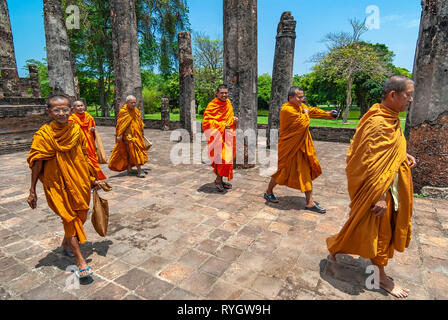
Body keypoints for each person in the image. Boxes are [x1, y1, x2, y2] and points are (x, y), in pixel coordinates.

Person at [326, 75, 417, 298]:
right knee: (381, 233)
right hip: (380, 191)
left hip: (392, 185)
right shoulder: (377, 121)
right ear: (393, 95)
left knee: (360, 225)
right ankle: (381, 279)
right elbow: (365, 161)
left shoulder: (392, 117)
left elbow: (386, 150)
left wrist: (402, 154)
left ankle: (336, 247)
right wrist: (377, 196)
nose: (411, 100)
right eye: (408, 95)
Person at [27, 93, 98, 279]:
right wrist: (32, 190)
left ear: (71, 110)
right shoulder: (43, 135)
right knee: (69, 218)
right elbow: (37, 163)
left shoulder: (75, 130)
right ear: (48, 111)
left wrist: (92, 177)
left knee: (81, 214)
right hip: (56, 183)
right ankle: (80, 261)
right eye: (56, 110)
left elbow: (84, 154)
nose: (61, 113)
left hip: (79, 179)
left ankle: (67, 243)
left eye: (65, 109)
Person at [264, 86, 337, 213]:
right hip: (289, 146)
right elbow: (303, 123)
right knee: (282, 171)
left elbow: (312, 111)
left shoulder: (301, 107)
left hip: (300, 146)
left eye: (302, 97)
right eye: (299, 97)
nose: (302, 99)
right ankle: (268, 191)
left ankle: (309, 202)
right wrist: (307, 114)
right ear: (291, 97)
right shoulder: (286, 109)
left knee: (305, 171)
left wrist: (328, 114)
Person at [202, 84, 238, 192]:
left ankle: (220, 180)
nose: (224, 95)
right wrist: (222, 126)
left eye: (226, 93)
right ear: (217, 93)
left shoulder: (228, 103)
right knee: (221, 158)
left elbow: (229, 117)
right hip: (218, 137)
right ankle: (218, 180)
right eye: (222, 93)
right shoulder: (212, 105)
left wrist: (234, 120)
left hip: (227, 136)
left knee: (227, 159)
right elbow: (207, 122)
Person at [108, 95, 148, 178]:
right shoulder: (123, 111)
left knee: (129, 152)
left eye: (134, 102)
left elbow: (140, 122)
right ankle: (139, 170)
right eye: (131, 103)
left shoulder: (136, 110)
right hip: (128, 136)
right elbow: (121, 125)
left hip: (137, 134)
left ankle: (129, 169)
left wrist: (142, 131)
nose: (133, 104)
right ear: (127, 103)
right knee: (134, 151)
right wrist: (120, 135)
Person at [69, 99, 107, 180]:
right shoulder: (72, 119)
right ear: (74, 108)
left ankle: (95, 179)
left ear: (84, 107)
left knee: (93, 162)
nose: (80, 108)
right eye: (78, 106)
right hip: (79, 145)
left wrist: (93, 130)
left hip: (90, 144)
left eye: (81, 105)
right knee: (83, 163)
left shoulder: (89, 117)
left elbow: (93, 129)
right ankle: (88, 180)